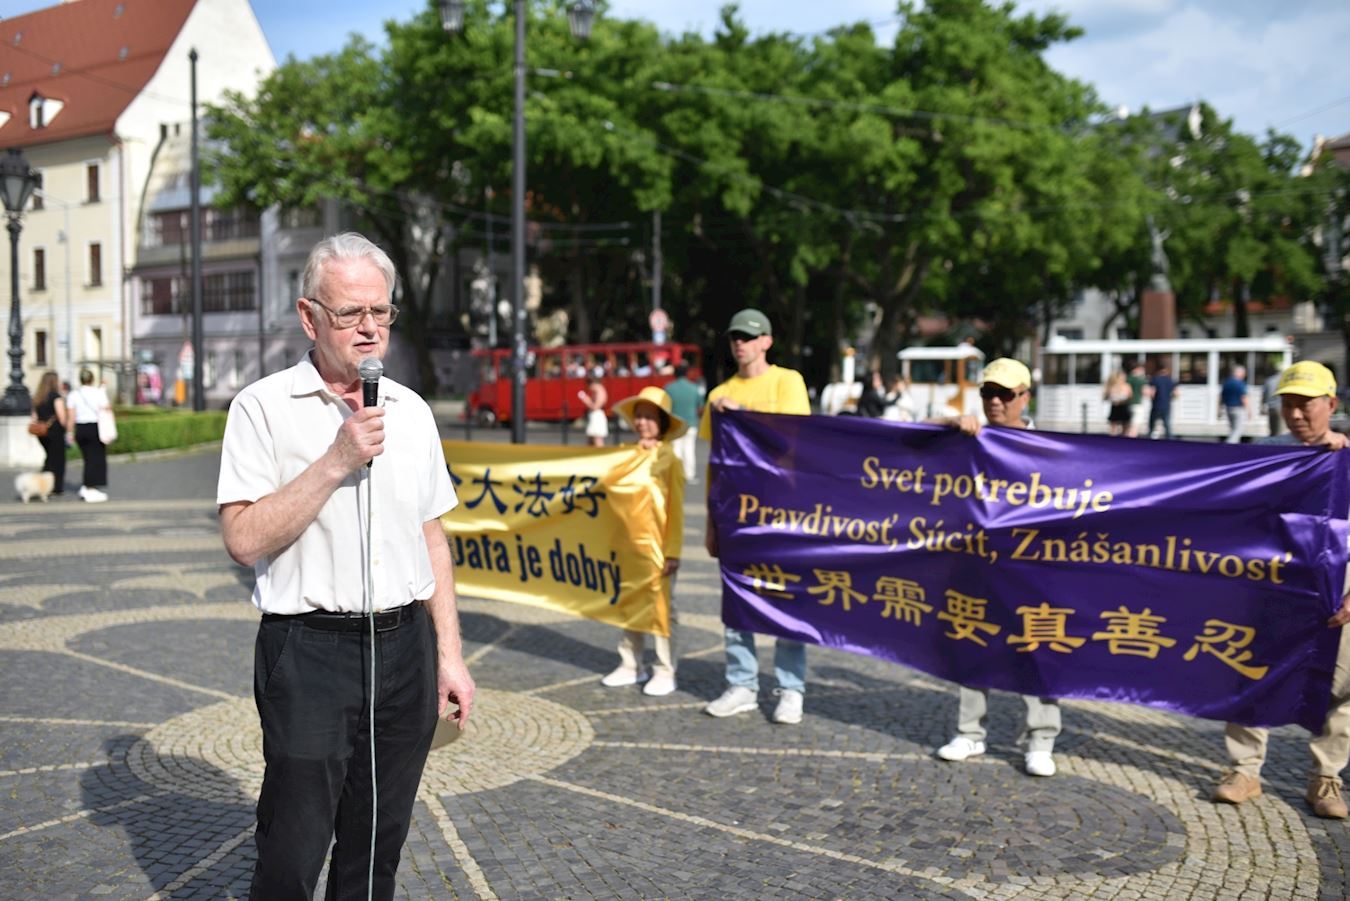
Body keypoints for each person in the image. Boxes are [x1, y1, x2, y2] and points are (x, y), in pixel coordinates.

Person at [216, 232, 476, 898]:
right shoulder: (261, 407)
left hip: (406, 649)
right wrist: (335, 460)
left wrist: (449, 654)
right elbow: (242, 539)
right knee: (293, 847)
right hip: (309, 652)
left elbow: (432, 536)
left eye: (380, 311)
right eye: (350, 313)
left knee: (375, 847)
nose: (369, 328)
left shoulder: (413, 411)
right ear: (309, 317)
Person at [1210, 361, 1350, 818]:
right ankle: (1244, 769)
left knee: (1342, 684)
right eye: (1288, 404)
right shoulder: (1266, 454)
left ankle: (1326, 777)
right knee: (1251, 668)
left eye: (1305, 404)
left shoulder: (1348, 459)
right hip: (1272, 582)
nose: (1296, 414)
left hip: (1339, 583)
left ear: (1331, 403)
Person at [928, 358, 1062, 777]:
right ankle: (970, 732)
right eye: (988, 393)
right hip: (976, 563)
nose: (996, 402)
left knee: (1036, 648)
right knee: (973, 641)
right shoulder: (971, 437)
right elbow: (906, 438)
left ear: (1025, 397)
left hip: (1031, 568)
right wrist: (949, 422)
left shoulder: (1049, 447)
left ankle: (1041, 740)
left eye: (1005, 394)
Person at [700, 308, 812, 724]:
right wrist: (711, 520)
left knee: (786, 598)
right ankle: (742, 684)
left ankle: (791, 687)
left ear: (767, 341)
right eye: (735, 337)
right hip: (735, 511)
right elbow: (715, 462)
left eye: (748, 337)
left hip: (783, 509)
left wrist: (742, 416)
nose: (740, 343)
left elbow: (791, 438)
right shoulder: (718, 394)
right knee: (736, 599)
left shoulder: (788, 381)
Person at [600, 386, 687, 696]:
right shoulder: (626, 455)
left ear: (661, 423)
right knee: (630, 604)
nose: (642, 422)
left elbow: (676, 509)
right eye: (639, 416)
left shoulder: (669, 460)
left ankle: (665, 668)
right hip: (628, 545)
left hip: (658, 547)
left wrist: (672, 551)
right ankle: (630, 663)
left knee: (662, 610)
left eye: (650, 417)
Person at [66, 369, 110, 503]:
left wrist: (69, 432)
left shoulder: (74, 394)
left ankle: (86, 485)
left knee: (87, 458)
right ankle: (90, 487)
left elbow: (71, 416)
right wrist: (103, 389)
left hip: (80, 428)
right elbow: (107, 408)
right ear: (92, 379)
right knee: (95, 459)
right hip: (94, 427)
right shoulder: (97, 393)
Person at [30, 371, 69, 497]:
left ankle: (42, 485)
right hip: (55, 431)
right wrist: (67, 428)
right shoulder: (55, 396)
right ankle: (56, 487)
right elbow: (61, 416)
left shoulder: (38, 397)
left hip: (41, 432)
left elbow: (34, 416)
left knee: (49, 458)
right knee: (58, 460)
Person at [663, 362, 702, 484]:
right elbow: (700, 405)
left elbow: (665, 406)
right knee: (689, 449)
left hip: (675, 423)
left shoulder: (668, 388)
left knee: (676, 449)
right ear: (687, 373)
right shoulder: (694, 388)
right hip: (691, 423)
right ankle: (689, 475)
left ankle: (676, 473)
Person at [1146, 363, 1179, 440]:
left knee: (1152, 424)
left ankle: (1149, 438)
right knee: (1167, 424)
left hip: (1156, 405)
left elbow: (1152, 393)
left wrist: (1152, 399)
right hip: (1166, 405)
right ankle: (1169, 439)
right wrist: (1169, 398)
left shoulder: (1155, 380)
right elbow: (1176, 394)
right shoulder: (1170, 381)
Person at [1221, 364, 1249, 443]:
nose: (1244, 375)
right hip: (1238, 408)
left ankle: (1233, 444)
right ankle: (1230, 444)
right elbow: (1243, 397)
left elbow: (1221, 396)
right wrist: (1248, 410)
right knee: (1238, 430)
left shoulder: (1227, 382)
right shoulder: (1240, 383)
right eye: (1243, 373)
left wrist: (1219, 409)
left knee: (1233, 429)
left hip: (1228, 408)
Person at [580, 376, 609, 447]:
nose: (589, 387)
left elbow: (595, 407)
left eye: (589, 384)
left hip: (597, 416)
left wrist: (585, 399)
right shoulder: (599, 390)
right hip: (596, 415)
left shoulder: (599, 390)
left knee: (597, 439)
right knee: (591, 439)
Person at [1104, 371, 1132, 437]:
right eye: (1122, 377)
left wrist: (1123, 399)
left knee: (1125, 425)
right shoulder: (1112, 386)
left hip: (1124, 407)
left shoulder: (1126, 386)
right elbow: (1106, 396)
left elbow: (1130, 396)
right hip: (1115, 407)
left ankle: (1124, 439)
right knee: (1113, 426)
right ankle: (1112, 440)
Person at [1126, 361, 1148, 437]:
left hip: (1127, 404)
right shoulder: (1140, 380)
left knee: (1128, 425)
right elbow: (1145, 392)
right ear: (1137, 369)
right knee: (1135, 426)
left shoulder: (1127, 378)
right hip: (1137, 404)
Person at [1263, 368, 1283, 436]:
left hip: (1271, 407)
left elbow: (1264, 394)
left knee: (1272, 429)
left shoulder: (1269, 380)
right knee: (1279, 430)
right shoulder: (1282, 380)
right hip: (1279, 406)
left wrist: (1263, 404)